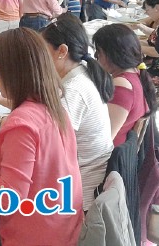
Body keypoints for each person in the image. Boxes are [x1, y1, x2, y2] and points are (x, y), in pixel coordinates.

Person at [0, 28, 83, 245]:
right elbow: (43, 162)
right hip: (63, 227)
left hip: (35, 235)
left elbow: (8, 198)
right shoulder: (52, 107)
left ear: (9, 72)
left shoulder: (22, 122)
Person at [41, 13, 114, 211]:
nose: (41, 58)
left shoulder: (73, 91)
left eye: (43, 51)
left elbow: (49, 151)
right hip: (86, 180)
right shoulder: (82, 72)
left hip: (77, 196)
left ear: (62, 51)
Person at [92, 24, 157, 146]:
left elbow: (105, 139)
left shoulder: (122, 85)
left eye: (98, 53)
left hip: (112, 156)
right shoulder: (137, 72)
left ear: (112, 54)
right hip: (120, 148)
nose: (97, 59)